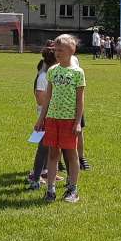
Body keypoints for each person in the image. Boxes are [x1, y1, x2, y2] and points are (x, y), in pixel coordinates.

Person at [34, 34, 85, 203]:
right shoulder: (52, 71)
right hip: (52, 119)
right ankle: (50, 190)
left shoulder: (77, 73)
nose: (57, 53)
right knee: (53, 155)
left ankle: (72, 189)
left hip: (69, 120)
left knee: (71, 155)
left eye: (61, 50)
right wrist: (41, 118)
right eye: (56, 50)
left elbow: (80, 99)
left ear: (72, 51)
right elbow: (48, 97)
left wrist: (78, 122)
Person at [28, 46, 60, 189]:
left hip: (55, 115)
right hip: (45, 116)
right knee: (43, 147)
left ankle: (46, 172)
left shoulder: (54, 74)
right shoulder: (43, 77)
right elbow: (40, 99)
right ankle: (35, 176)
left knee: (50, 147)